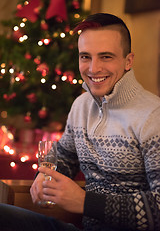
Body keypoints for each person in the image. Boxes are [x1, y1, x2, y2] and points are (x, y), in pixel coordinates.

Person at [0, 12, 160, 231]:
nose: (93, 69)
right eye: (85, 56)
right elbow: (64, 155)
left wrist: (86, 202)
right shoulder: (81, 105)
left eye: (106, 57)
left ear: (128, 61)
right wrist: (44, 176)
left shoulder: (153, 116)